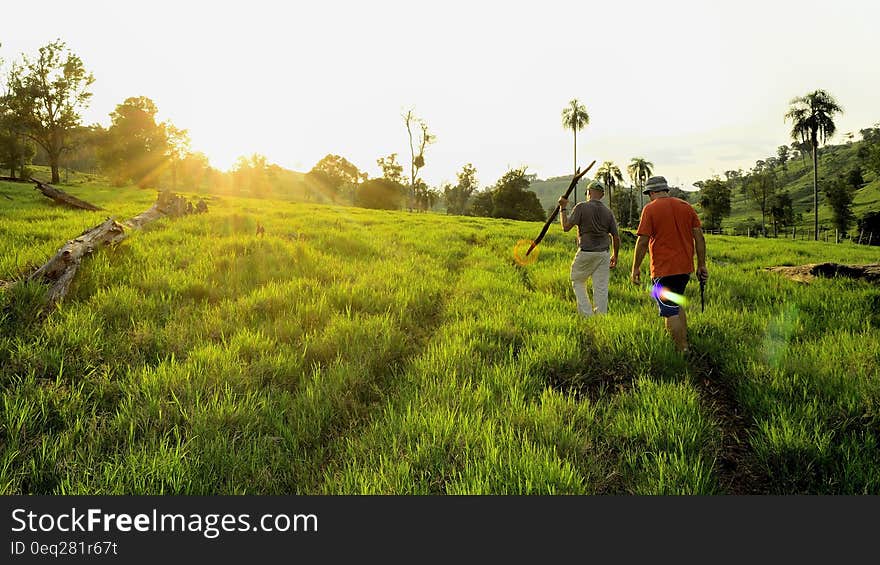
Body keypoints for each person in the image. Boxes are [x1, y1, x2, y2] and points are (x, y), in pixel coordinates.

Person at [630, 175, 708, 352]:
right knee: (676, 302)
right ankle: (684, 341)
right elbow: (699, 237)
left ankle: (682, 350)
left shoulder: (650, 209)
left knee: (669, 310)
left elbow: (642, 241)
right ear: (666, 189)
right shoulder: (686, 207)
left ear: (651, 192)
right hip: (685, 268)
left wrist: (635, 268)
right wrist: (701, 264)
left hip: (663, 269)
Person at [558, 179, 621, 317]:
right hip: (604, 254)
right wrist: (615, 256)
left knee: (578, 280)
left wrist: (563, 208)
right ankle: (600, 317)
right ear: (602, 195)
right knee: (601, 288)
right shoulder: (608, 212)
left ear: (589, 193)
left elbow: (565, 227)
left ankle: (587, 315)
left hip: (586, 252)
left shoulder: (581, 207)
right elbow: (615, 237)